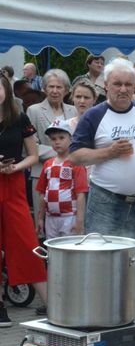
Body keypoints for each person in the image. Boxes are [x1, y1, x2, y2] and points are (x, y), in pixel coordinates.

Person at [69, 58, 135, 257]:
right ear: (106, 85)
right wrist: (109, 152)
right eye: (117, 84)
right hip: (106, 201)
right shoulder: (93, 115)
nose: (123, 89)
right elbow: (75, 156)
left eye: (128, 84)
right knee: (101, 259)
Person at [0, 73, 48, 325]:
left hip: (13, 183)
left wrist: (16, 167)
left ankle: (52, 304)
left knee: (28, 242)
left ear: (6, 90)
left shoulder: (19, 118)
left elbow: (33, 154)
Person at [27, 69, 77, 228]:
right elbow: (31, 146)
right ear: (44, 88)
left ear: (67, 90)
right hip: (42, 173)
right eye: (51, 87)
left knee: (69, 223)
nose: (55, 91)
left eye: (59, 87)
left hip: (70, 174)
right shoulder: (33, 110)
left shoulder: (73, 110)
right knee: (42, 225)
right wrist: (62, 154)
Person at [36, 121, 88, 239]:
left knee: (70, 250)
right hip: (50, 218)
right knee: (52, 250)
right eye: (53, 139)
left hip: (70, 217)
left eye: (61, 138)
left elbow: (81, 194)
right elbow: (42, 193)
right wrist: (40, 218)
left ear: (71, 139)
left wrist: (79, 220)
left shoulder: (76, 163)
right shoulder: (48, 164)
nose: (57, 142)